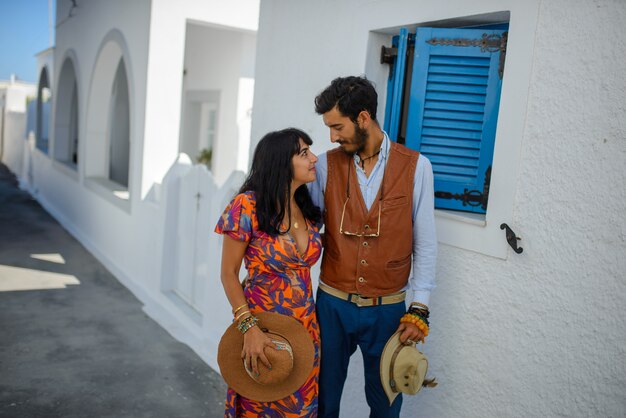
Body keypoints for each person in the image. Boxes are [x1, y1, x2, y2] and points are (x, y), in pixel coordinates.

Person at [308, 76, 437, 418]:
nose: (332, 137)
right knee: (323, 402)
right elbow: (303, 230)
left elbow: (425, 243)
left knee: (386, 406)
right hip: (332, 305)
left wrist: (419, 308)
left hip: (388, 311)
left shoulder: (417, 168)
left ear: (363, 118)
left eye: (337, 126)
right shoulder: (323, 165)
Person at [215, 128, 322, 417]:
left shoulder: (305, 208)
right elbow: (228, 273)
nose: (314, 158)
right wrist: (248, 328)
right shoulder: (247, 206)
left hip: (304, 335)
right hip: (262, 332)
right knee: (259, 407)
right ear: (280, 162)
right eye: (304, 153)